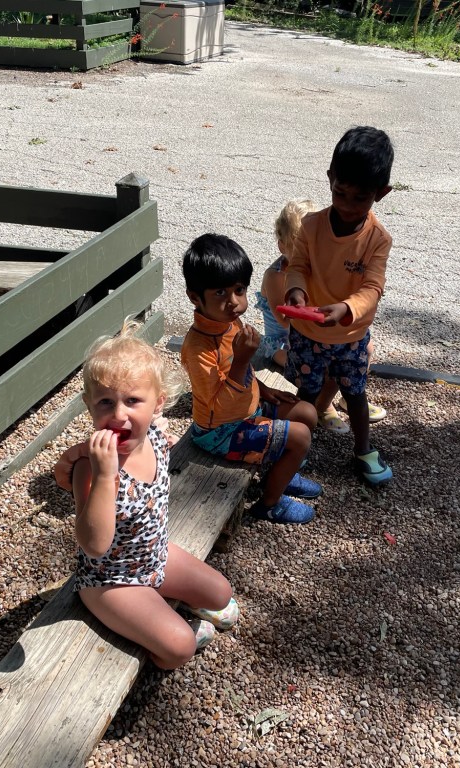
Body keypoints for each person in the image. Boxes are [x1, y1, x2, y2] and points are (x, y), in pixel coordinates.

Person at [54, 323, 239, 669]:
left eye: (133, 401)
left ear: (158, 405)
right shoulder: (90, 468)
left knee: (221, 593)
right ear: (89, 406)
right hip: (109, 580)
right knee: (180, 648)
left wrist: (164, 436)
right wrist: (106, 475)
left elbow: (162, 441)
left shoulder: (154, 436)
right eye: (105, 402)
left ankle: (161, 608)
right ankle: (147, 645)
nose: (118, 414)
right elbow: (93, 545)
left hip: (154, 555)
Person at [180, 233, 322, 524]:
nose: (233, 302)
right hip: (219, 432)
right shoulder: (198, 348)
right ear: (195, 297)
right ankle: (269, 504)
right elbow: (218, 407)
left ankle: (280, 475)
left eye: (239, 290)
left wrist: (263, 388)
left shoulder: (228, 322)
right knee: (300, 437)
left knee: (307, 412)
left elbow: (242, 373)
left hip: (247, 409)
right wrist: (243, 360)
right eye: (220, 293)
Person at [283, 125, 395, 486]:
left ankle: (363, 449)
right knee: (306, 394)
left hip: (350, 335)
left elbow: (372, 288)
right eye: (340, 193)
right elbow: (298, 266)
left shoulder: (377, 240)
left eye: (360, 198)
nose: (346, 205)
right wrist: (296, 290)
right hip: (308, 330)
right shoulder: (311, 226)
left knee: (356, 394)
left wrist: (346, 309)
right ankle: (295, 447)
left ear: (381, 193)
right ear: (330, 178)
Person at [257, 199, 388, 436]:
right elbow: (285, 321)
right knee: (326, 363)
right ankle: (323, 406)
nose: (311, 257)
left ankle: (348, 396)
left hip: (313, 331)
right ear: (282, 246)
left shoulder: (317, 268)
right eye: (300, 250)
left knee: (364, 348)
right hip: (281, 341)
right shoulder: (276, 276)